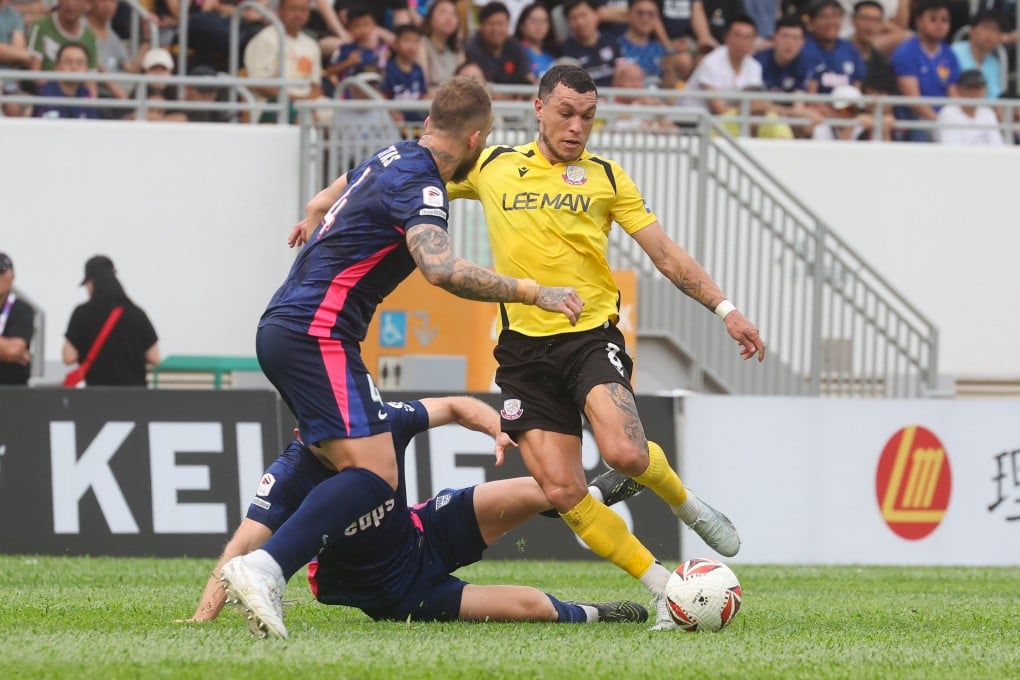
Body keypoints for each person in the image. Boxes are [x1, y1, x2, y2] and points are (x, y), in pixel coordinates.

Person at [217, 76, 584, 640]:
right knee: (375, 472)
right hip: (317, 332)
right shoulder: (422, 183)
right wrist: (537, 292)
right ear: (475, 139)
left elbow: (336, 187)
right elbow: (441, 269)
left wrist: (316, 209)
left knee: (358, 466)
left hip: (291, 328)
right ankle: (265, 567)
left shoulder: (391, 156)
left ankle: (265, 565)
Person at [448, 64, 765, 632]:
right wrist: (329, 200)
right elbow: (405, 178)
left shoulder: (607, 177)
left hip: (590, 336)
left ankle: (686, 504)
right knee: (566, 493)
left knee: (623, 454)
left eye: (588, 117)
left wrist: (726, 309)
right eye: (566, 113)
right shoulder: (493, 166)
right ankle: (668, 591)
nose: (576, 127)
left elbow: (665, 254)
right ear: (539, 108)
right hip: (522, 352)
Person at [187, 396, 647, 628]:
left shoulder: (376, 424)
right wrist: (203, 616)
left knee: (544, 487)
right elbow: (243, 546)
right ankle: (596, 614)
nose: (352, 443)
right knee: (532, 605)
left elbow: (453, 406)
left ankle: (598, 494)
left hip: (425, 529)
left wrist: (497, 430)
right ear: (303, 433)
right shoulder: (290, 475)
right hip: (398, 592)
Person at [63, 255, 160, 387]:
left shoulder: (81, 313)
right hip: (136, 399)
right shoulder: (137, 314)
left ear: (91, 283)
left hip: (97, 399)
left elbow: (69, 357)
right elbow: (155, 357)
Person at [889, 0, 960, 141]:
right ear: (919, 22)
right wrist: (940, 121)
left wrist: (954, 119)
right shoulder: (906, 53)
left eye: (944, 20)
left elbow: (954, 94)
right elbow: (913, 100)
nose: (939, 24)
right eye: (933, 19)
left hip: (945, 118)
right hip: (916, 117)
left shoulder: (949, 53)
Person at [243, 0, 323, 123]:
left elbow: (315, 85)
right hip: (272, 104)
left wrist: (310, 100)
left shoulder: (311, 45)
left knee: (336, 113)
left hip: (304, 101)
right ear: (280, 10)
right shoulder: (265, 39)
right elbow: (259, 83)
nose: (298, 14)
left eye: (303, 10)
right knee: (304, 118)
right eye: (293, 9)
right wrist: (294, 98)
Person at [681, 14, 764, 113]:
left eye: (747, 37)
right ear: (726, 37)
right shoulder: (711, 62)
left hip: (731, 120)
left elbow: (753, 105)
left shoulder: (755, 67)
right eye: (737, 35)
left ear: (754, 40)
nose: (741, 42)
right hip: (692, 121)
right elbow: (719, 109)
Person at [801, 0, 865, 95]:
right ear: (810, 22)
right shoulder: (803, 49)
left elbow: (856, 88)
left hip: (846, 108)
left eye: (835, 16)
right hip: (812, 108)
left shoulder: (851, 50)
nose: (830, 22)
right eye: (824, 17)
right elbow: (809, 96)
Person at [464, 1, 533, 85]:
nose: (496, 29)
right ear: (481, 26)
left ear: (508, 25)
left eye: (500, 24)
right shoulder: (471, 47)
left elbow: (527, 77)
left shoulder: (515, 46)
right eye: (490, 24)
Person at [934, 68, 1004, 145]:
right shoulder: (948, 113)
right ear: (958, 90)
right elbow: (951, 150)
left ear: (985, 90)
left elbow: (997, 145)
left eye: (977, 88)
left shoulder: (988, 113)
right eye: (969, 88)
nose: (973, 93)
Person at [561, 0, 622, 87]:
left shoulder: (611, 40)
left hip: (614, 97)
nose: (580, 22)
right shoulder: (565, 49)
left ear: (596, 14)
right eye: (574, 18)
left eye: (584, 15)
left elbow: (622, 71)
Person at [31, 41, 96, 119]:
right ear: (56, 66)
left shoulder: (86, 94)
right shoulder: (45, 93)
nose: (74, 67)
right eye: (68, 62)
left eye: (80, 63)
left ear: (87, 69)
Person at [381, 23, 428, 128]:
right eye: (407, 40)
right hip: (393, 123)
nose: (411, 46)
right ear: (395, 44)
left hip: (417, 123)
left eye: (415, 41)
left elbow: (423, 94)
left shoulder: (418, 70)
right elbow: (382, 95)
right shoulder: (388, 68)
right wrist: (391, 111)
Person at [950, 10, 1004, 100]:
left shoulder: (995, 64)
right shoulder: (954, 52)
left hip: (985, 112)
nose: (990, 34)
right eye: (986, 27)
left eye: (995, 30)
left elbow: (994, 97)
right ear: (971, 31)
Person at [848, 0, 897, 97]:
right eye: (865, 18)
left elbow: (885, 96)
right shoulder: (837, 52)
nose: (870, 25)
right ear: (853, 20)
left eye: (876, 20)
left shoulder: (881, 60)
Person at [0, 253, 34, 386]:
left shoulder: (22, 309)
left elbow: (13, 351)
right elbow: (12, 351)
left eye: (2, 272)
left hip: (12, 392)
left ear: (12, 276)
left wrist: (12, 352)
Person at [417, 0, 464, 89]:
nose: (449, 18)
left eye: (454, 14)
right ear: (430, 17)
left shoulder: (458, 49)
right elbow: (424, 86)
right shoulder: (421, 44)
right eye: (443, 12)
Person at [515, 2, 558, 80]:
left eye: (543, 21)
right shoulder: (515, 51)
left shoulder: (552, 55)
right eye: (533, 20)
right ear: (521, 25)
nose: (539, 25)